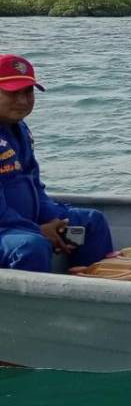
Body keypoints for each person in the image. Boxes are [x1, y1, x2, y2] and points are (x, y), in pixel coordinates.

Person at [0, 55, 113, 272]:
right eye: (13, 92)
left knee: (89, 224)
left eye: (28, 91)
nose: (23, 100)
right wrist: (38, 230)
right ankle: (33, 306)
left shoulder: (18, 129)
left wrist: (54, 219)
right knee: (30, 247)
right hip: (9, 232)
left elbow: (33, 185)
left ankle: (88, 286)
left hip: (23, 225)